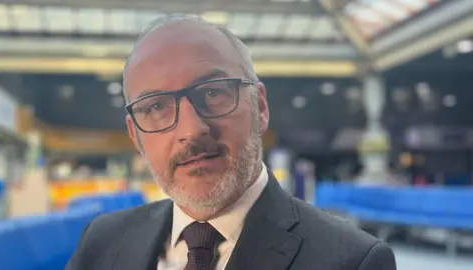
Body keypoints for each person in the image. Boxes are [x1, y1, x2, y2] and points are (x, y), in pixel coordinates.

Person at [66, 14, 396, 270]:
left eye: (213, 92)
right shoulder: (101, 241)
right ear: (135, 136)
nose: (192, 130)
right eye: (155, 107)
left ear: (260, 107)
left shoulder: (352, 262)